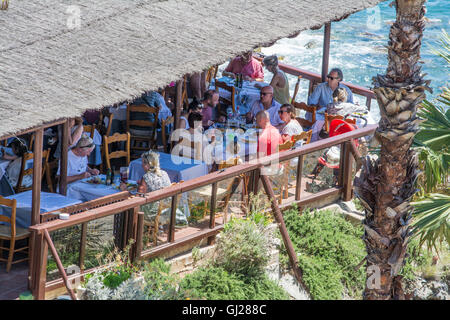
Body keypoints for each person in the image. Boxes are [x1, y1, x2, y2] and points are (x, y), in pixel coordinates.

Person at [307, 68, 354, 141]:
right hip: (323, 119)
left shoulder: (346, 90)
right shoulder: (320, 87)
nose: (328, 79)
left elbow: (351, 107)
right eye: (328, 77)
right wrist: (316, 107)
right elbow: (311, 103)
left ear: (339, 79)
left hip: (339, 122)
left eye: (331, 78)